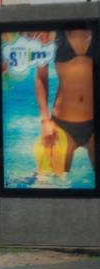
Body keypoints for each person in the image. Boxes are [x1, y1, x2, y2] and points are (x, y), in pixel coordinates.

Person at [35, 30, 95, 173]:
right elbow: (41, 77)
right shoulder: (50, 33)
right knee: (54, 186)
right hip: (61, 126)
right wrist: (44, 120)